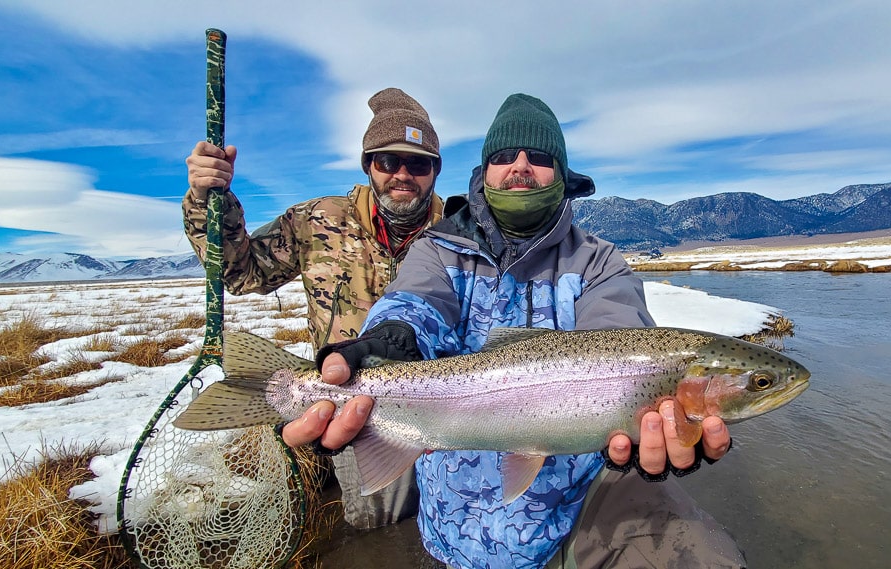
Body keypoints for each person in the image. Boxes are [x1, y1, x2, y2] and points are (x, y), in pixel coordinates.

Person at [291, 93, 748, 568]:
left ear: (562, 174)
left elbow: (618, 330)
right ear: (484, 173)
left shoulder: (599, 262)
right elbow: (417, 304)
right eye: (504, 156)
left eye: (540, 157)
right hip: (452, 518)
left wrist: (639, 423)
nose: (521, 166)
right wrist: (388, 340)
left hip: (575, 510)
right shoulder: (438, 250)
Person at [183, 87, 443, 531]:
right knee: (382, 523)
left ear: (434, 171)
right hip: (349, 405)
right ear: (368, 166)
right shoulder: (315, 220)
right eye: (387, 161)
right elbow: (241, 271)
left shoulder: (458, 233)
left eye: (418, 163)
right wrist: (211, 202)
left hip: (450, 403)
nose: (402, 175)